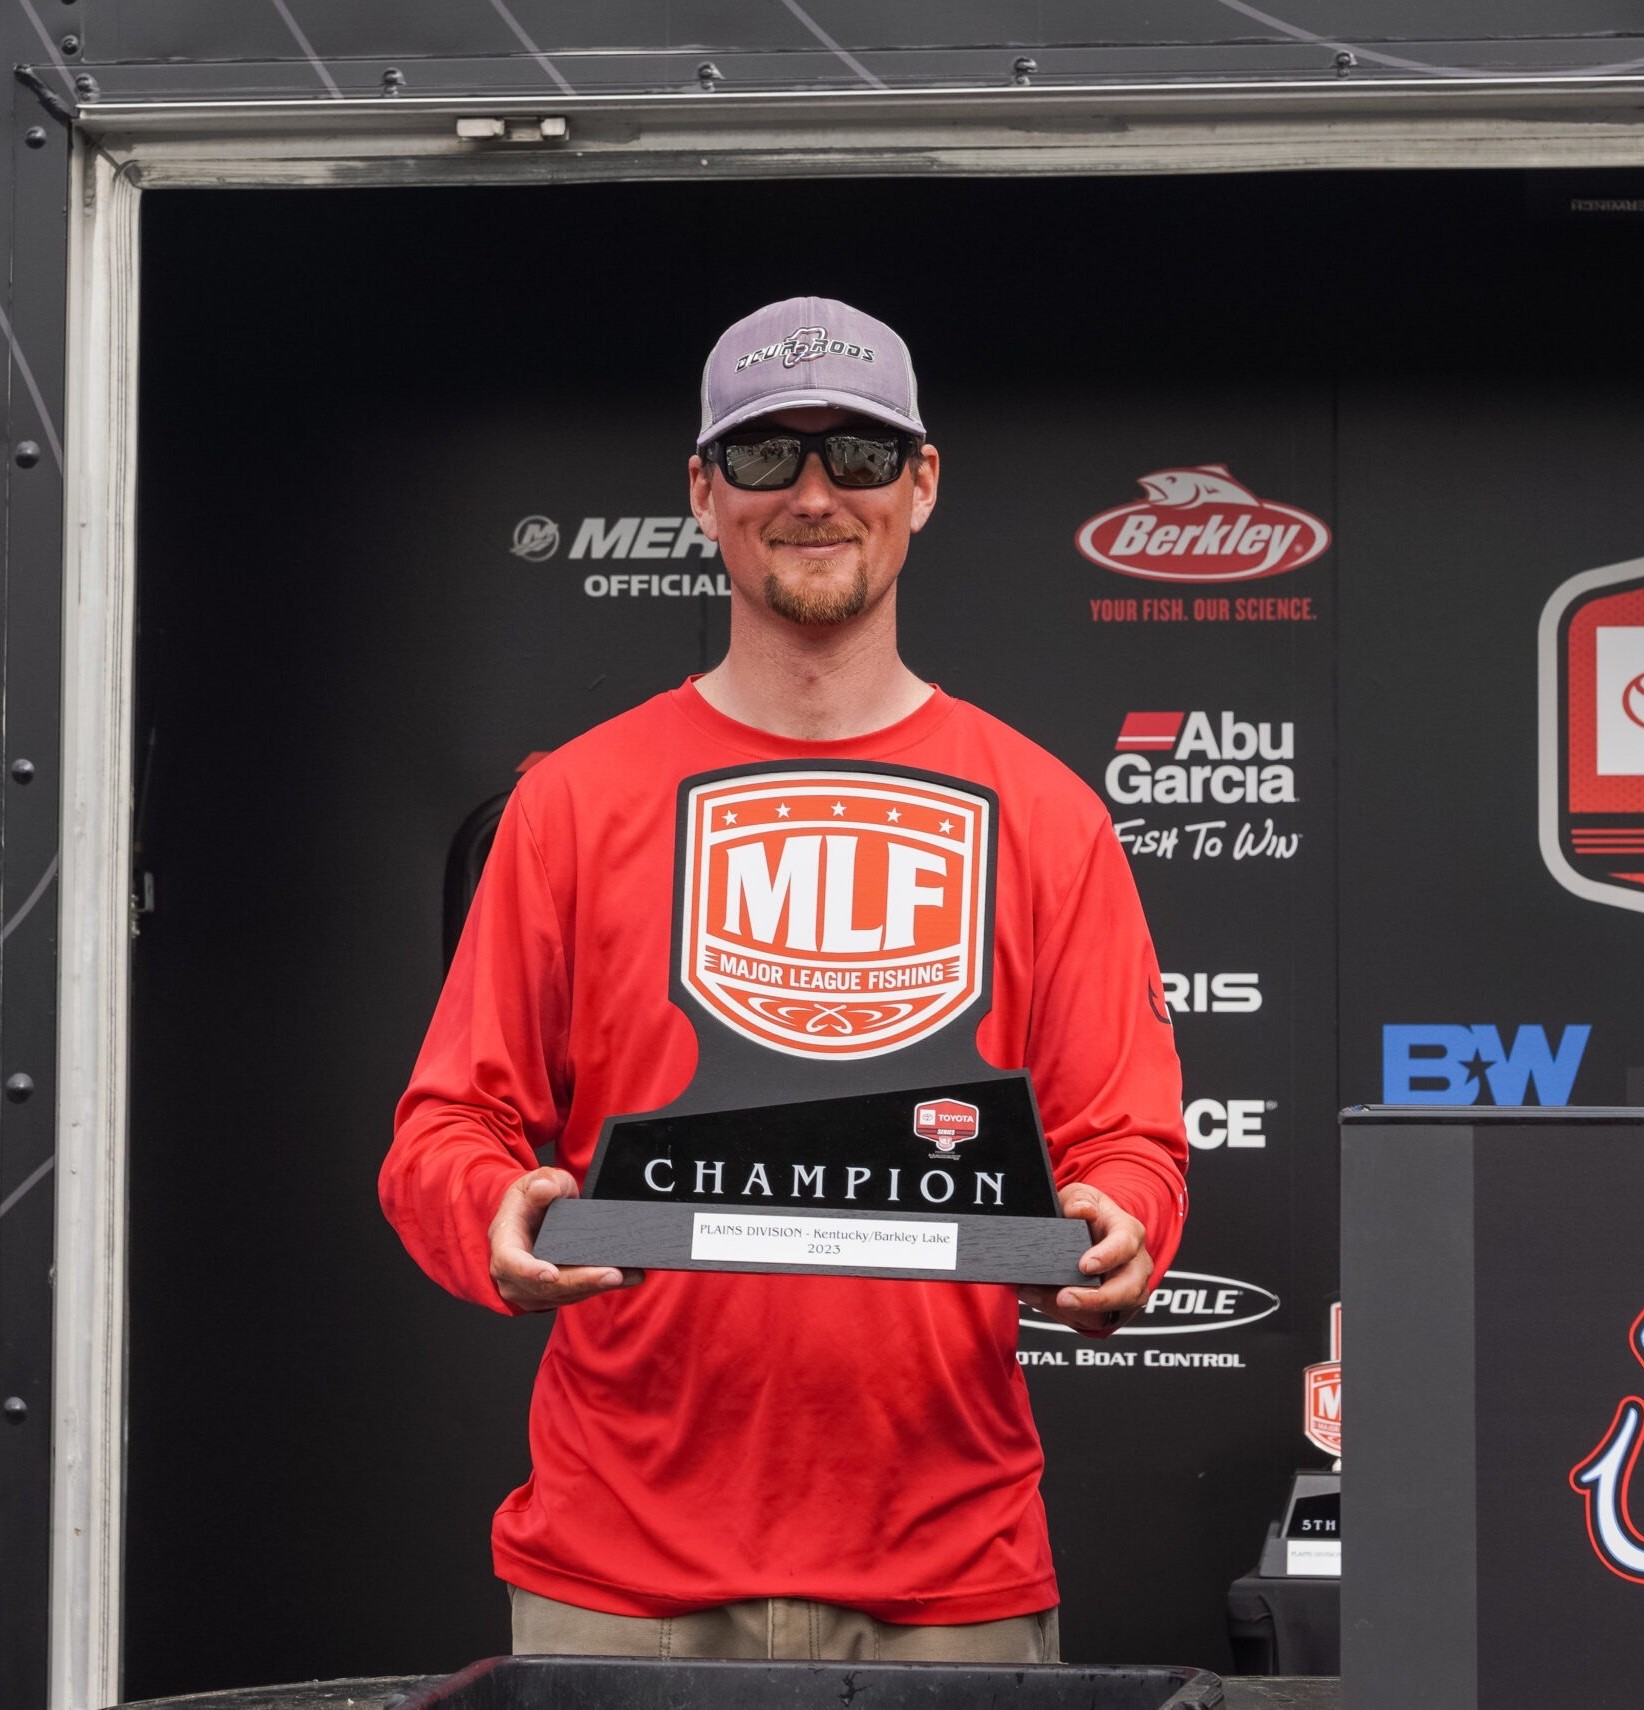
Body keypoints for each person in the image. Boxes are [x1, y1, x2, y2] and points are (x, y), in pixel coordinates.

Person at [381, 296, 1189, 1665]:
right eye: (766, 455)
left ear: (920, 483)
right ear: (705, 492)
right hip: (619, 1577)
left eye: (858, 452)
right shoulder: (573, 802)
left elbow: (1128, 1142)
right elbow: (445, 1128)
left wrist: (1118, 1224)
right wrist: (489, 1210)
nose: (814, 495)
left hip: (950, 1573)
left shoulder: (1047, 815)